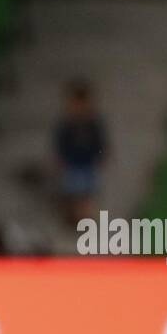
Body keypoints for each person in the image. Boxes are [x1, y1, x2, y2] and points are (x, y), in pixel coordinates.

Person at [54, 78, 107, 225]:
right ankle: (74, 220)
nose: (79, 107)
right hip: (72, 164)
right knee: (74, 193)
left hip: (88, 163)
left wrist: (101, 156)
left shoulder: (93, 123)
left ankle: (86, 220)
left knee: (87, 194)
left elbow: (101, 142)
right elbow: (60, 144)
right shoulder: (66, 124)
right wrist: (60, 159)